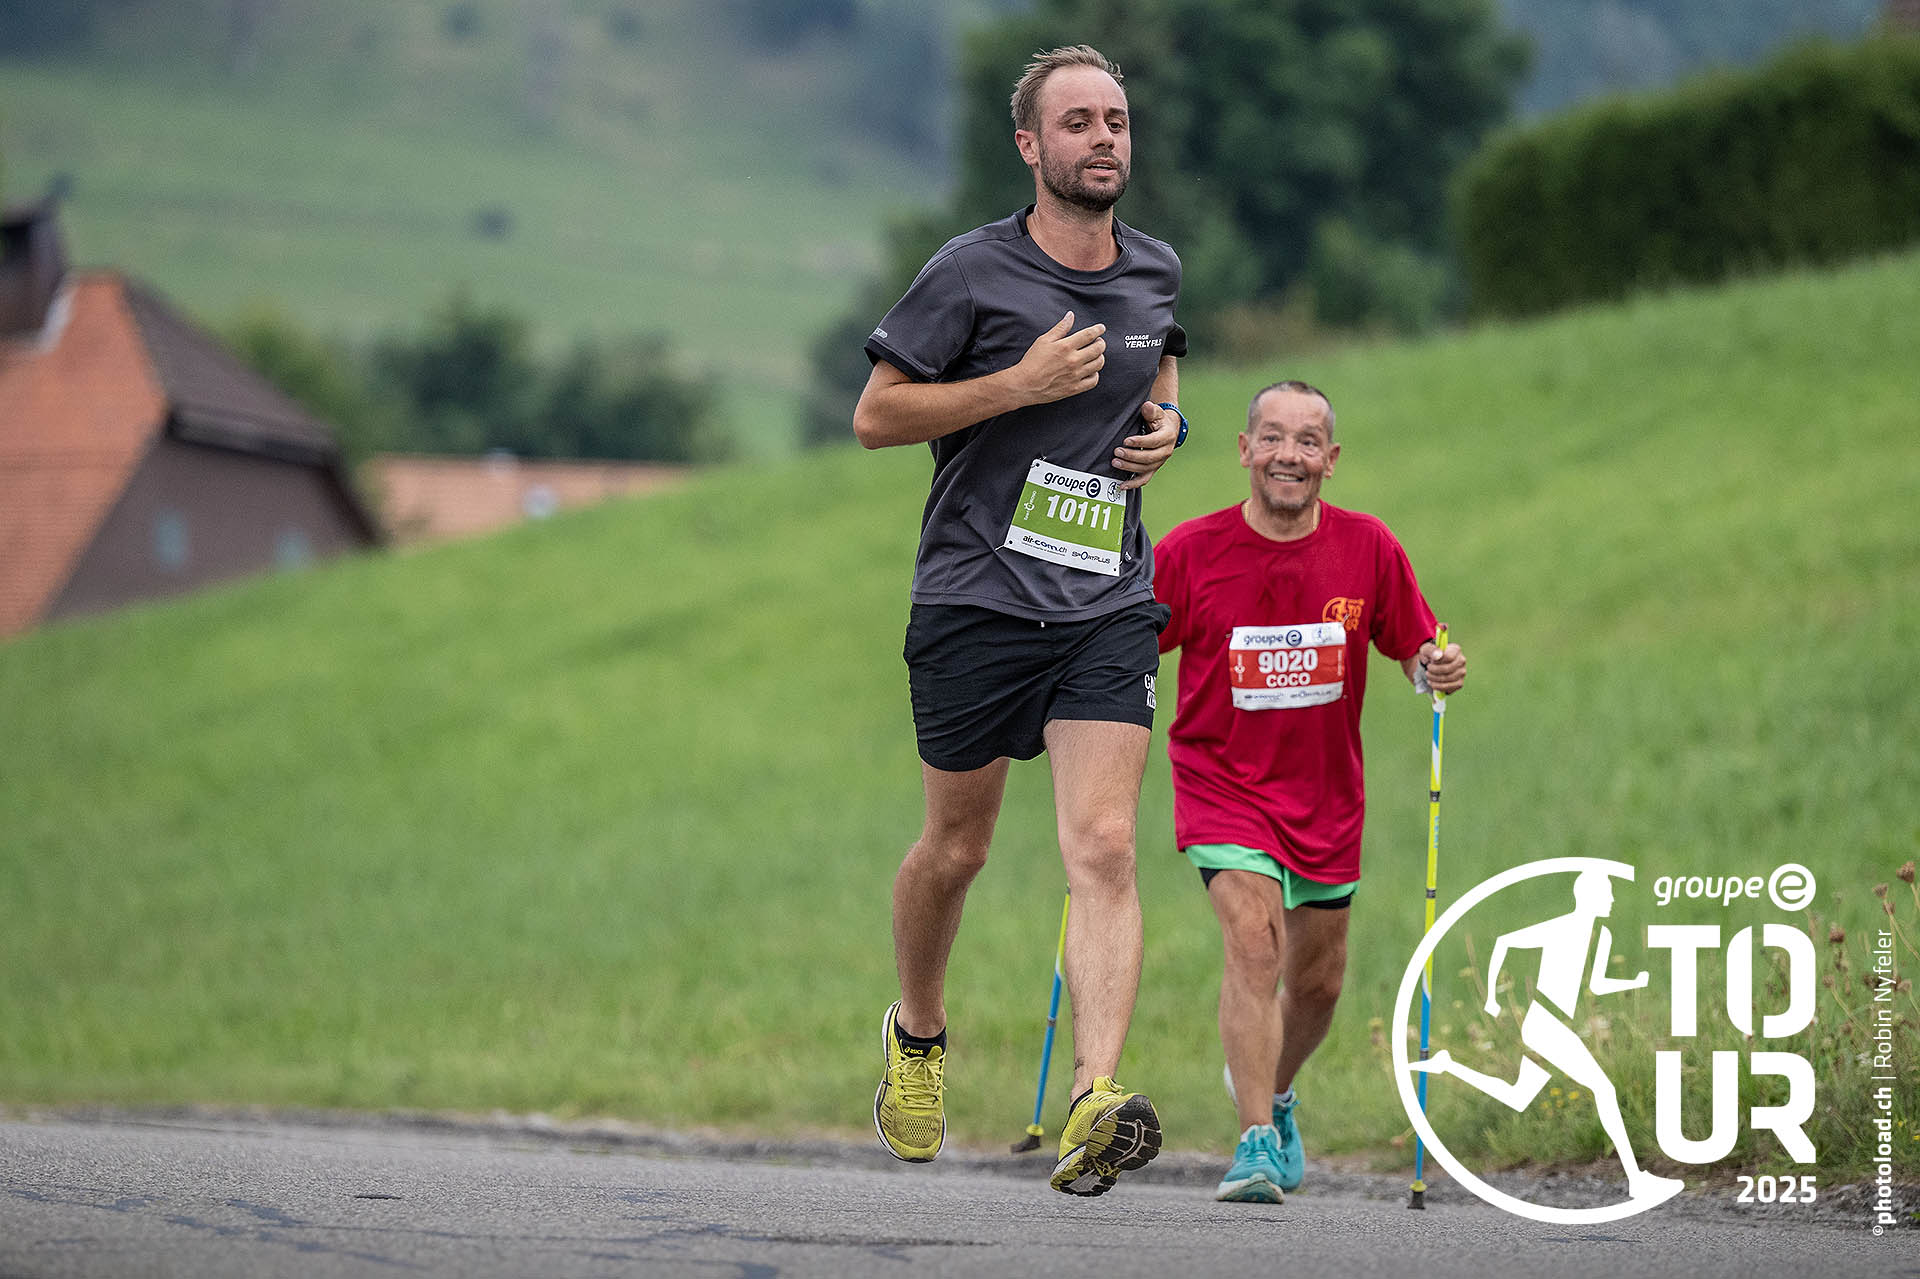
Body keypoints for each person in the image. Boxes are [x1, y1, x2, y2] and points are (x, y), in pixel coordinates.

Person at [854, 43, 1187, 1197]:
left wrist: (1170, 430)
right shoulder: (970, 272)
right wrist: (1016, 386)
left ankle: (1096, 1094)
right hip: (975, 597)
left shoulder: (1154, 269)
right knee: (959, 849)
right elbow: (877, 415)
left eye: (1116, 121)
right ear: (1030, 146)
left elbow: (1159, 372)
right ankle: (918, 1032)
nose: (1103, 138)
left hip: (1105, 602)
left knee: (1104, 846)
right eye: (1078, 122)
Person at [1152, 380, 1466, 1203]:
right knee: (1255, 945)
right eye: (1272, 437)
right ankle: (1255, 1138)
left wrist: (1432, 666)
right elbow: (1131, 640)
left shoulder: (1368, 547)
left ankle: (1276, 1088)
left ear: (1331, 458)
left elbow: (1413, 644)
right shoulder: (1191, 551)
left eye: (1307, 440)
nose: (1288, 454)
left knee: (1320, 984)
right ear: (1245, 450)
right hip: (1221, 784)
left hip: (1325, 799)